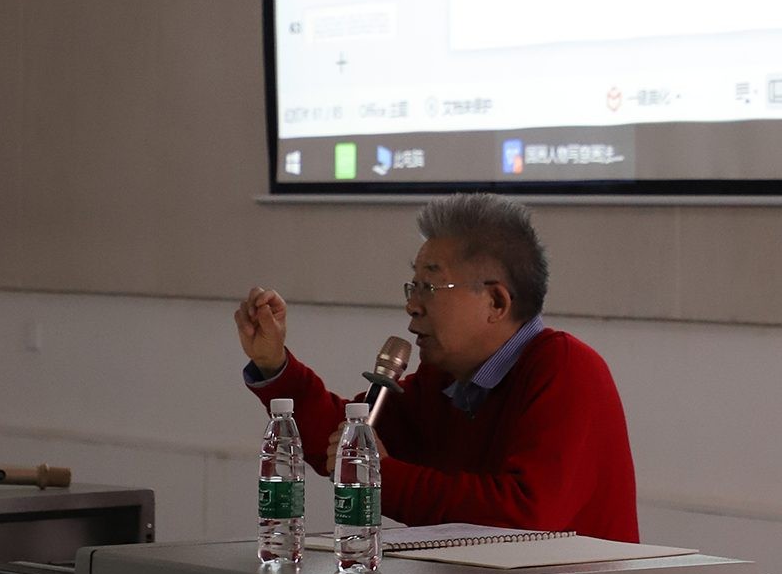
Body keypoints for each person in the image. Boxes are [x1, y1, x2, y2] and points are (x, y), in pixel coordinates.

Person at [235, 191, 639, 540]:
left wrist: (382, 475)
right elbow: (342, 443)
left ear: (496, 302)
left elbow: (525, 517)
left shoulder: (566, 369)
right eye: (412, 287)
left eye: (429, 286)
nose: (412, 305)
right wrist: (274, 364)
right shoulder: (444, 381)